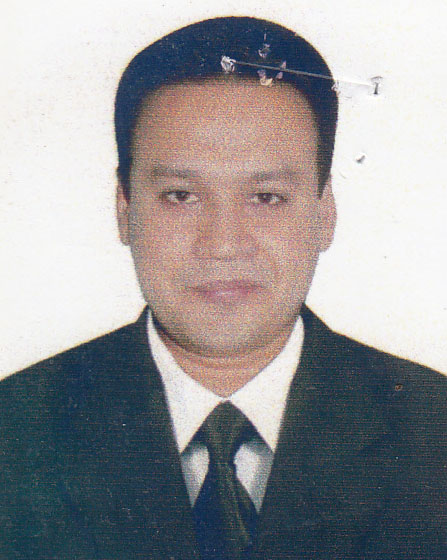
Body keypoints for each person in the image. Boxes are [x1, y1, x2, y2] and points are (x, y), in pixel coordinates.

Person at [0, 16, 445, 560]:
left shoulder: (434, 434)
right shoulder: (14, 433)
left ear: (324, 212)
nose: (224, 245)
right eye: (180, 196)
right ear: (124, 209)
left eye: (267, 198)